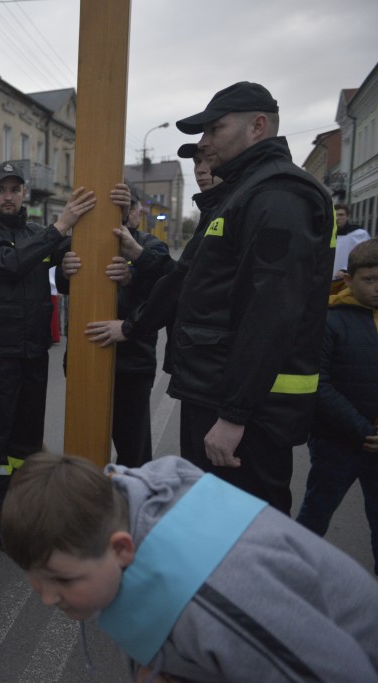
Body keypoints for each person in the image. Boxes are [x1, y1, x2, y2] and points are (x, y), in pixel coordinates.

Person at [1, 453, 378, 682]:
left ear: (121, 549)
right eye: (34, 577)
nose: (48, 597)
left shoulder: (221, 600)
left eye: (63, 580)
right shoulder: (126, 503)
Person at [169, 82, 335, 514]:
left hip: (248, 413)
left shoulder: (278, 195)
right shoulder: (248, 190)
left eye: (214, 129)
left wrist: (234, 415)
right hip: (222, 394)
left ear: (257, 126)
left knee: (244, 536)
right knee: (215, 529)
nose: (205, 142)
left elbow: (273, 312)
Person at [0, 161, 101, 548]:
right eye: (0, 190)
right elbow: (11, 265)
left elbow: (64, 279)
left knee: (27, 440)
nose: (8, 196)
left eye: (14, 189)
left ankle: (24, 511)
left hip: (33, 353)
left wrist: (69, 269)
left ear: (24, 193)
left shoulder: (40, 235)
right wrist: (60, 229)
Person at [84, 143, 227, 379]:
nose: (200, 170)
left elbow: (171, 285)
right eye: (197, 163)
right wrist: (67, 269)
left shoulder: (150, 244)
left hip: (142, 359)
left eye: (209, 160)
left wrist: (133, 275)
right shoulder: (88, 239)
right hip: (93, 351)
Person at [58, 186, 173, 467]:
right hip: (86, 360)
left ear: (134, 212)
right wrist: (64, 269)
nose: (121, 214)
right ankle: (87, 506)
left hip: (132, 364)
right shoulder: (81, 241)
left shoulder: (151, 247)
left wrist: (134, 269)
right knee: (83, 450)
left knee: (133, 453)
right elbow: (64, 286)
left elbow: (167, 289)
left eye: (126, 207)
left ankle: (132, 507)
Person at [297, 238, 378, 574]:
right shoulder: (330, 321)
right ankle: (292, 577)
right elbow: (319, 383)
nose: (377, 288)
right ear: (348, 279)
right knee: (315, 516)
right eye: (369, 280)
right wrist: (362, 429)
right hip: (336, 443)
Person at [333, 204, 370, 280]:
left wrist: (345, 269)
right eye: (335, 215)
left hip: (348, 279)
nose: (337, 218)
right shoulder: (326, 235)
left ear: (348, 216)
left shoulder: (359, 234)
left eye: (341, 215)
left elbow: (364, 257)